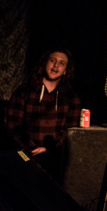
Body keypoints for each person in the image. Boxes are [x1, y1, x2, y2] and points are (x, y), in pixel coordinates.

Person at [7, 48, 81, 183]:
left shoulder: (71, 98)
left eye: (61, 63)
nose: (56, 65)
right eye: (52, 60)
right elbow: (13, 125)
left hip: (54, 159)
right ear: (45, 64)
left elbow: (71, 132)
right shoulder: (23, 93)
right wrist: (32, 147)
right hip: (25, 154)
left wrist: (49, 148)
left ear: (65, 71)